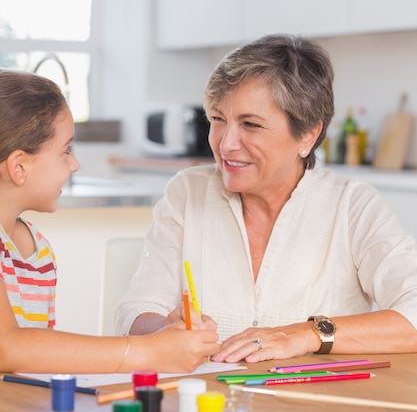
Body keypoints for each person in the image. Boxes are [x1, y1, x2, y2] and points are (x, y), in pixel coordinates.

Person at [115, 33, 417, 363]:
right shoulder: (188, 193)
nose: (226, 143)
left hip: (315, 410)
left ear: (308, 134)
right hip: (210, 406)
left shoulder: (352, 206)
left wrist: (305, 334)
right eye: (217, 119)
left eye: (251, 124)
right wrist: (163, 329)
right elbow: (134, 312)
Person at [0, 69, 219, 374]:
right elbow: (8, 348)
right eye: (66, 150)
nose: (75, 164)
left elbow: (33, 358)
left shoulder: (36, 251)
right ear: (19, 166)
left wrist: (160, 337)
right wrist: (148, 352)